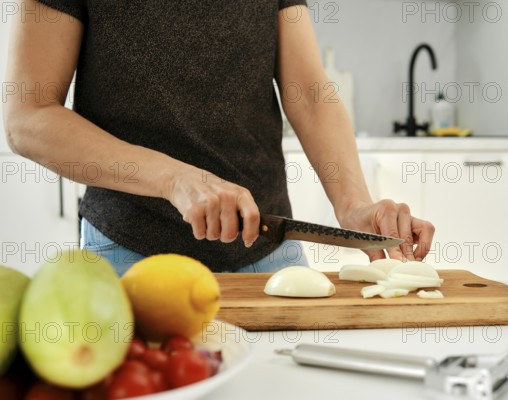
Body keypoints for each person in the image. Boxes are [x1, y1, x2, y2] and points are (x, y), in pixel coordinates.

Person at [3, 0, 434, 275]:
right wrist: (172, 179)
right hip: (128, 251)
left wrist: (353, 204)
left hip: (269, 248)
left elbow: (309, 94)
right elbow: (28, 115)